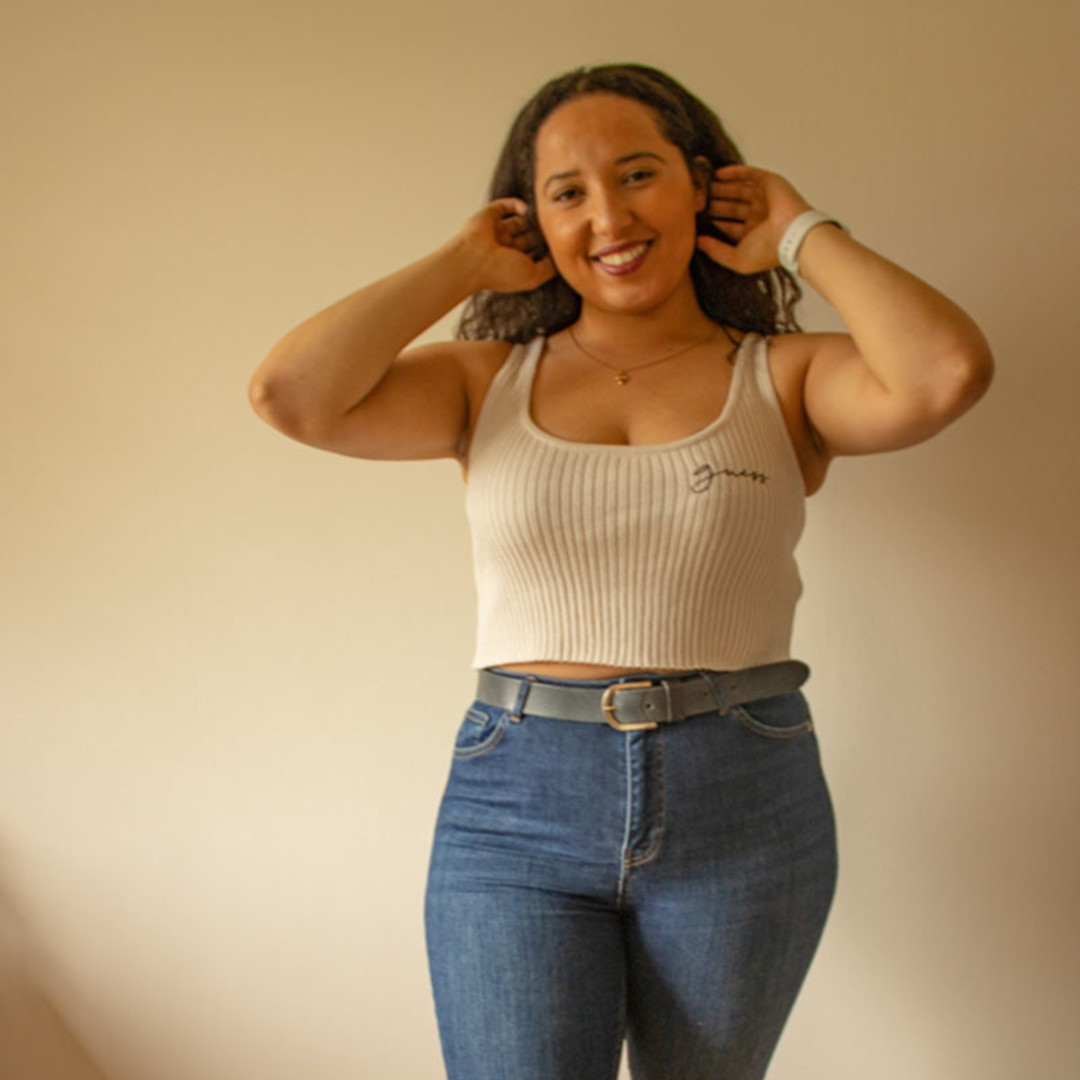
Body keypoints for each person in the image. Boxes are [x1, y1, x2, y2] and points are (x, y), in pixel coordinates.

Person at [249, 63, 992, 1080]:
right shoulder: (485, 382)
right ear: (532, 224)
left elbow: (946, 371)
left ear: (702, 185)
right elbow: (290, 396)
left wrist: (801, 231)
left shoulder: (784, 374)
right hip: (518, 802)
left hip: (743, 794)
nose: (609, 216)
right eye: (568, 193)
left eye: (638, 174)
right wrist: (460, 265)